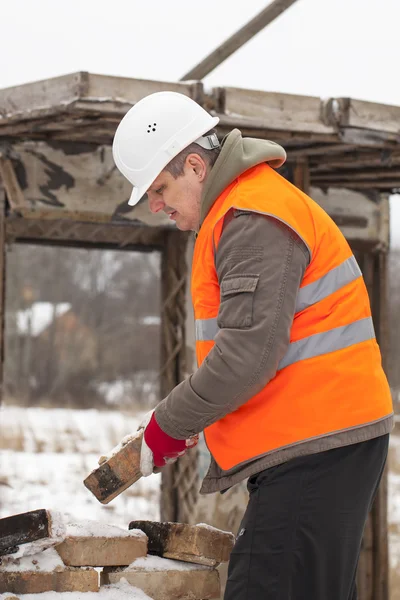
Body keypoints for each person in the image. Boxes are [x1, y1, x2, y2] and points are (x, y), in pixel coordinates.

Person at [112, 91, 393, 599]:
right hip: (315, 440)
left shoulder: (252, 216)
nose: (156, 206)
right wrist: (205, 416)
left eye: (160, 188)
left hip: (314, 444)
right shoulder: (241, 210)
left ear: (196, 165)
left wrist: (167, 427)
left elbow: (248, 355)